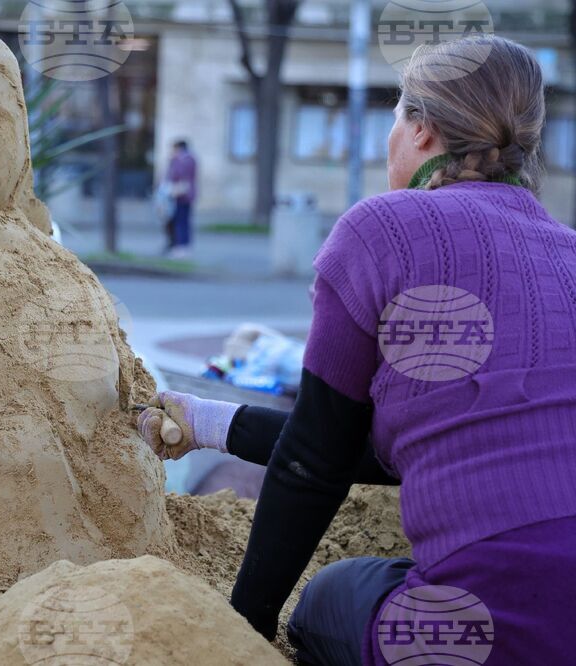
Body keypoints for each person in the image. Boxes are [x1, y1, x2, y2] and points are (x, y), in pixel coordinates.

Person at [137, 35, 575, 665]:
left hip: (480, 633)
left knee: (329, 596)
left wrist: (242, 629)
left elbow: (318, 460)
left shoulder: (381, 229)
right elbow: (381, 445)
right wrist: (210, 422)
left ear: (422, 131)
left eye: (396, 114)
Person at [164, 139, 197, 258]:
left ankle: (182, 247)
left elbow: (180, 176)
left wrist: (174, 160)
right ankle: (180, 245)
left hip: (182, 195)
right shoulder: (183, 159)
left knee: (181, 222)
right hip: (180, 195)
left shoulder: (185, 160)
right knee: (180, 221)